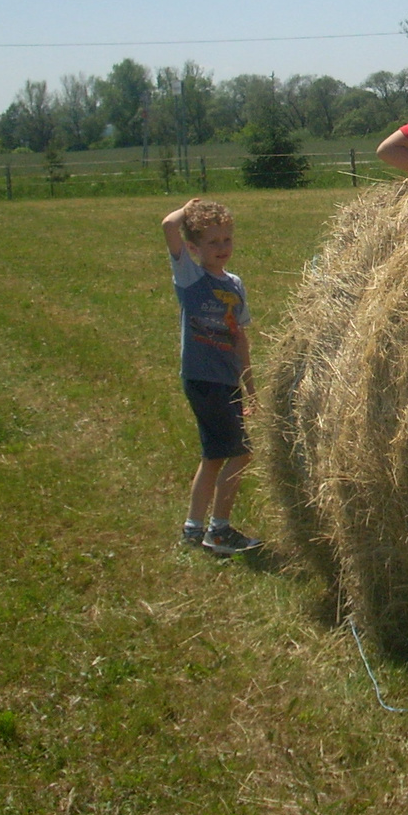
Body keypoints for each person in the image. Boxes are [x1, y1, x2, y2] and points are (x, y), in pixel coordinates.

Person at [162, 198, 263, 556]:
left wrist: (250, 390)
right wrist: (190, 208)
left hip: (226, 380)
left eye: (226, 240)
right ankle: (218, 531)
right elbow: (168, 226)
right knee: (240, 453)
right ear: (194, 248)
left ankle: (193, 527)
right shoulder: (191, 277)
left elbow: (240, 340)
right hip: (202, 378)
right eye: (212, 242)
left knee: (214, 456)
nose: (222, 249)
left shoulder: (234, 285)